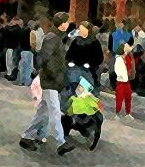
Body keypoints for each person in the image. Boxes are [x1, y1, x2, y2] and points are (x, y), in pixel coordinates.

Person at [19, 12, 69, 155]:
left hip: (52, 79)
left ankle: (27, 136)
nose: (68, 24)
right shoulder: (53, 38)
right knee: (54, 111)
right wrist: (50, 73)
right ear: (61, 23)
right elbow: (44, 58)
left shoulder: (56, 37)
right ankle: (61, 142)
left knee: (42, 112)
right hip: (50, 80)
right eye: (66, 21)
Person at [58, 76, 104, 155]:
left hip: (84, 125)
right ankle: (65, 135)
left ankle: (64, 136)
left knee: (65, 120)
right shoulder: (81, 99)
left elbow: (65, 111)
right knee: (66, 120)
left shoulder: (76, 99)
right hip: (81, 123)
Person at [112, 42, 134, 118]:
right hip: (121, 82)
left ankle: (128, 113)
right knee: (119, 99)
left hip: (126, 82)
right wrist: (123, 76)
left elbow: (130, 66)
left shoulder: (128, 57)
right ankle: (117, 113)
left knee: (128, 98)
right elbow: (117, 70)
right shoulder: (118, 59)